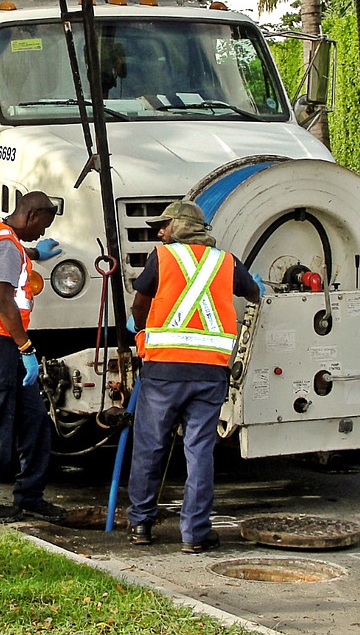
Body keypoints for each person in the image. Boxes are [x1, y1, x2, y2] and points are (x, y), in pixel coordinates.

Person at [125, 199, 260, 552]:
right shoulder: (226, 262)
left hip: (164, 370)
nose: (160, 231)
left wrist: (138, 328)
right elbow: (253, 292)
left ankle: (140, 524)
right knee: (199, 451)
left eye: (165, 224)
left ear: (181, 227)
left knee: (151, 447)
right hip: (210, 372)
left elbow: (140, 302)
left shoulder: (163, 257)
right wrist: (251, 284)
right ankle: (195, 534)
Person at [0, 189, 67, 524]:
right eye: (42, 226)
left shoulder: (6, 238)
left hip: (3, 341)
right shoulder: (6, 245)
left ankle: (30, 496)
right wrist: (26, 348)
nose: (43, 232)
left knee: (34, 421)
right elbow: (3, 300)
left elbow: (13, 255)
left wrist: (35, 252)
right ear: (32, 215)